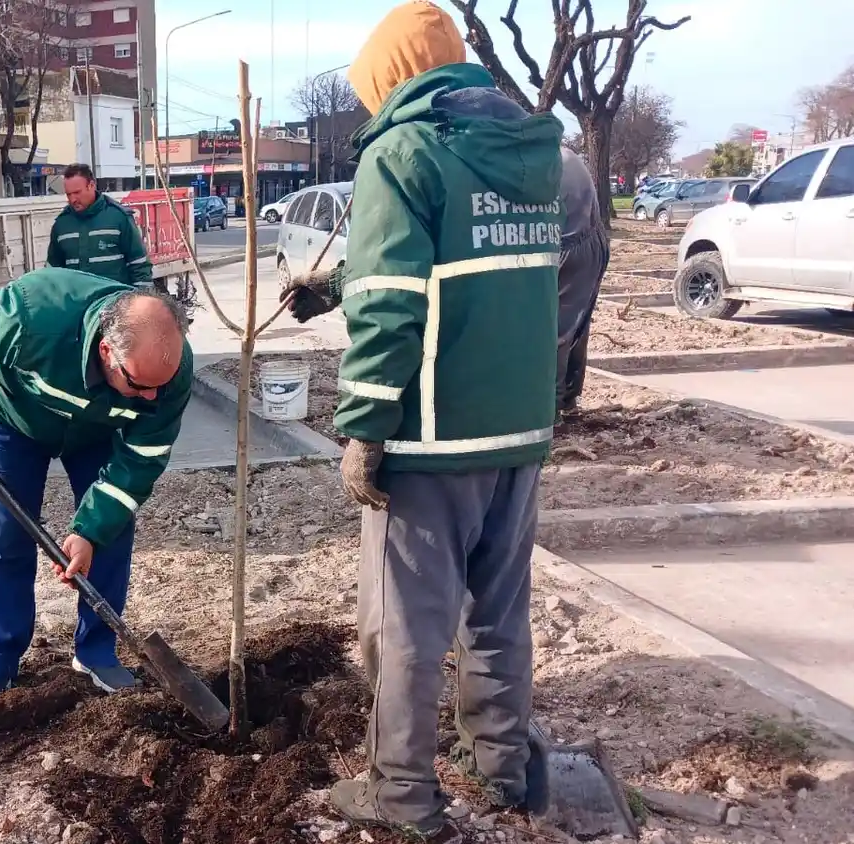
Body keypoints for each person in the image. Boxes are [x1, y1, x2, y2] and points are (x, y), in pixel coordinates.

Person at [279, 2, 563, 839]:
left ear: (393, 78)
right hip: (516, 432)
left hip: (432, 437)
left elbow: (393, 300)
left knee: (404, 627)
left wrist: (365, 426)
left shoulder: (402, 151)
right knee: (499, 612)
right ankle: (500, 765)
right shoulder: (527, 153)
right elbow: (462, 260)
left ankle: (402, 795)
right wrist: (333, 283)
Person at [0, 268, 192, 709]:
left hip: (96, 434)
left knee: (111, 529)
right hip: (13, 421)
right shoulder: (33, 316)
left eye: (158, 388)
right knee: (3, 535)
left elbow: (140, 462)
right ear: (107, 351)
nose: (151, 398)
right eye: (139, 386)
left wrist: (88, 530)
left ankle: (95, 652)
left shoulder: (166, 375)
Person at [556, 148, 610, 414]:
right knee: (575, 327)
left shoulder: (536, 159)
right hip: (590, 239)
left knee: (556, 332)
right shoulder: (562, 153)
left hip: (572, 244)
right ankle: (567, 399)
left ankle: (550, 412)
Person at [47, 163, 156, 291]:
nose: (73, 199)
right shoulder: (62, 224)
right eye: (69, 194)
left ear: (91, 185)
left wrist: (142, 302)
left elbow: (139, 264)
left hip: (116, 303)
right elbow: (53, 272)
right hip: (79, 306)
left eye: (77, 192)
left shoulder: (118, 218)